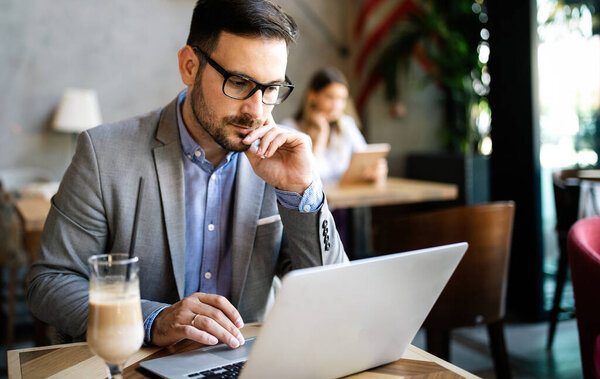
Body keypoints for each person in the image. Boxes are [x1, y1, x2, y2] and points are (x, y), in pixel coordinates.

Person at [26, 0, 347, 349]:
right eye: (239, 82)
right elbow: (51, 282)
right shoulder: (104, 154)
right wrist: (153, 320)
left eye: (271, 89)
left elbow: (334, 294)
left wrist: (301, 191)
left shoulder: (281, 159)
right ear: (189, 66)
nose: (256, 111)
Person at [280, 67, 387, 185]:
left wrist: (375, 170)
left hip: (345, 199)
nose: (337, 105)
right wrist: (322, 133)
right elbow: (307, 175)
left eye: (342, 99)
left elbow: (364, 157)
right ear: (312, 96)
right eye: (330, 97)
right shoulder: (290, 128)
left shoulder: (347, 125)